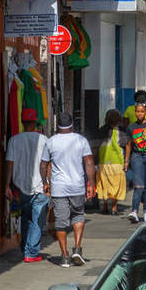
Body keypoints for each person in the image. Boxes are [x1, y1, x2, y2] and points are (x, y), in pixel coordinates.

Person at [41, 111, 96, 267]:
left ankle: (65, 256)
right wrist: (91, 183)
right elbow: (89, 162)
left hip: (58, 189)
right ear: (72, 125)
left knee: (61, 221)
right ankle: (77, 248)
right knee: (78, 216)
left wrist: (45, 182)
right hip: (77, 187)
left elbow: (44, 164)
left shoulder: (51, 142)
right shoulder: (81, 140)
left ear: (58, 126)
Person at [4, 108, 49, 263]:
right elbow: (47, 164)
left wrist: (7, 185)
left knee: (26, 217)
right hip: (41, 186)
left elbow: (10, 164)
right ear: (35, 122)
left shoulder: (14, 140)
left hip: (21, 186)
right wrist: (49, 182)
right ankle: (31, 252)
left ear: (22, 122)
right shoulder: (44, 140)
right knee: (38, 220)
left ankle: (25, 247)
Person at [95, 109, 129, 216]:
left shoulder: (101, 130)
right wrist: (127, 160)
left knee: (104, 184)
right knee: (117, 185)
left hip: (103, 162)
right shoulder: (122, 131)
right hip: (117, 162)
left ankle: (105, 207)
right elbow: (127, 145)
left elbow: (96, 147)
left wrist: (93, 160)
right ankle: (114, 208)